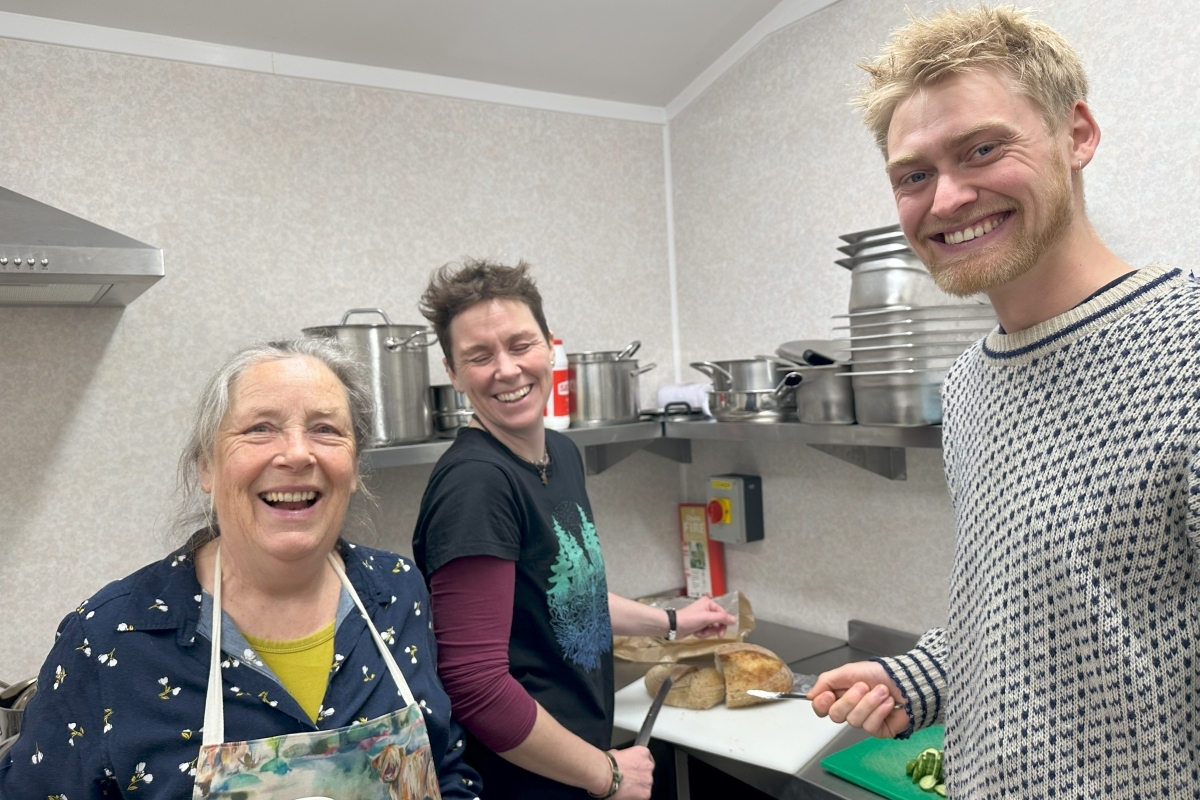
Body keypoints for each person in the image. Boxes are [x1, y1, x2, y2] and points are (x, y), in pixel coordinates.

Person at [806, 5, 1200, 798]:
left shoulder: (1187, 354)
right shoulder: (969, 385)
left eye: (983, 149)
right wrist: (918, 675)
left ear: (1076, 135)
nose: (947, 198)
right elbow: (1030, 610)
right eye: (914, 175)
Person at [0, 338, 481, 799]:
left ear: (355, 466)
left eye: (325, 429)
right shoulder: (112, 638)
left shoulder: (396, 592)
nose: (296, 453)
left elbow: (448, 769)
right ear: (206, 467)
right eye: (260, 428)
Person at [412, 259, 737, 800]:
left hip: (574, 758)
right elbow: (475, 686)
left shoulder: (558, 453)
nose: (508, 370)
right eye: (479, 356)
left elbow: (566, 596)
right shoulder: (476, 485)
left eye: (521, 345)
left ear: (549, 347)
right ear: (452, 372)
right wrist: (605, 775)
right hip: (523, 780)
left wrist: (673, 621)